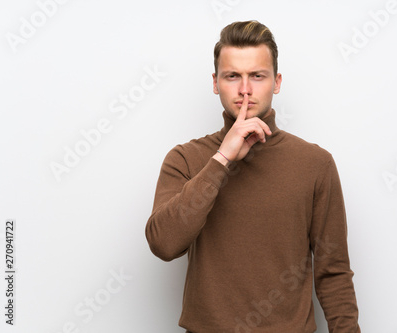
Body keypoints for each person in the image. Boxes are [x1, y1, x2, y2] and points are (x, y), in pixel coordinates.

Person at [145, 20, 361, 333]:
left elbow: (334, 273)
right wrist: (221, 159)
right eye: (233, 76)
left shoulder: (316, 164)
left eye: (257, 76)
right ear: (216, 82)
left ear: (277, 82)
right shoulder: (186, 159)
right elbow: (164, 244)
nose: (245, 90)